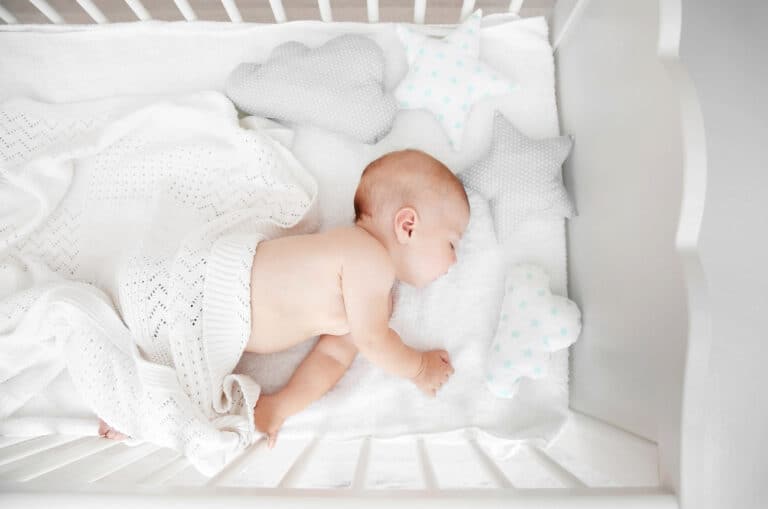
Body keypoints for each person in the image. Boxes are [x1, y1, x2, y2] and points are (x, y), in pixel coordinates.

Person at [249, 148, 470, 447]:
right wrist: (419, 368)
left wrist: (281, 406)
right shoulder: (365, 255)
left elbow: (333, 356)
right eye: (452, 244)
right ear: (408, 226)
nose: (455, 261)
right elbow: (373, 342)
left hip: (223, 333)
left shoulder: (375, 298)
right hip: (218, 289)